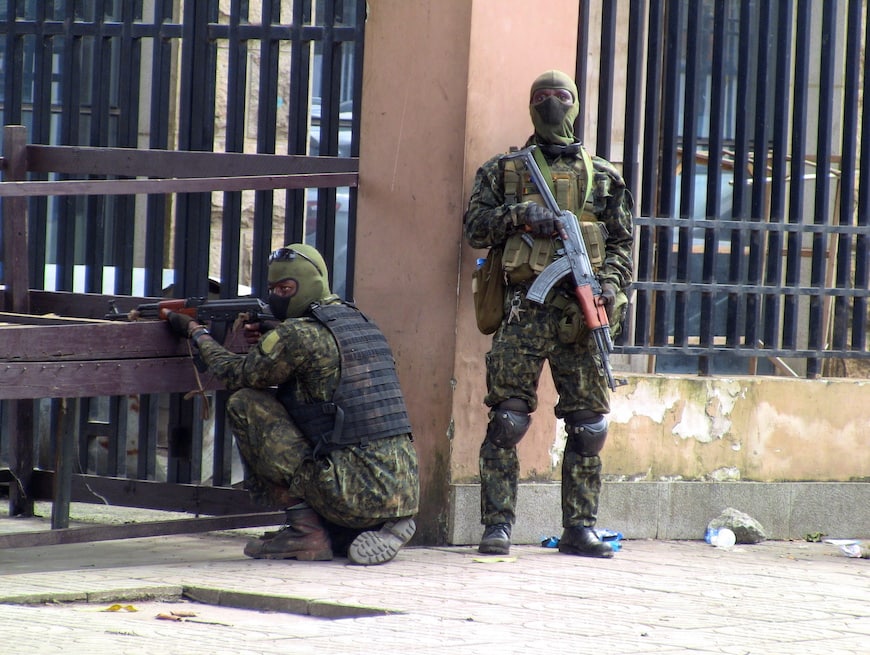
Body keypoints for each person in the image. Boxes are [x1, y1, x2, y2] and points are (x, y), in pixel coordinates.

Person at [463, 69, 634, 558]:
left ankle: (580, 527)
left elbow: (623, 244)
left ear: (575, 105)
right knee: (508, 421)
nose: (552, 104)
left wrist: (609, 285)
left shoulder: (603, 175)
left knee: (589, 426)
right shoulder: (504, 171)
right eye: (543, 97)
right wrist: (520, 215)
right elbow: (475, 227)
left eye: (561, 97)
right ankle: (497, 525)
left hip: (581, 314)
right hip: (524, 311)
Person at [165, 243, 419, 565]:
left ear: (310, 285)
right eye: (272, 290)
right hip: (402, 483)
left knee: (245, 404)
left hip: (351, 488)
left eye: (285, 289)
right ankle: (375, 520)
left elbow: (237, 374)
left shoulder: (297, 335)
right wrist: (276, 333)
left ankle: (306, 532)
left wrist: (196, 332)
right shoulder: (361, 321)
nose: (277, 297)